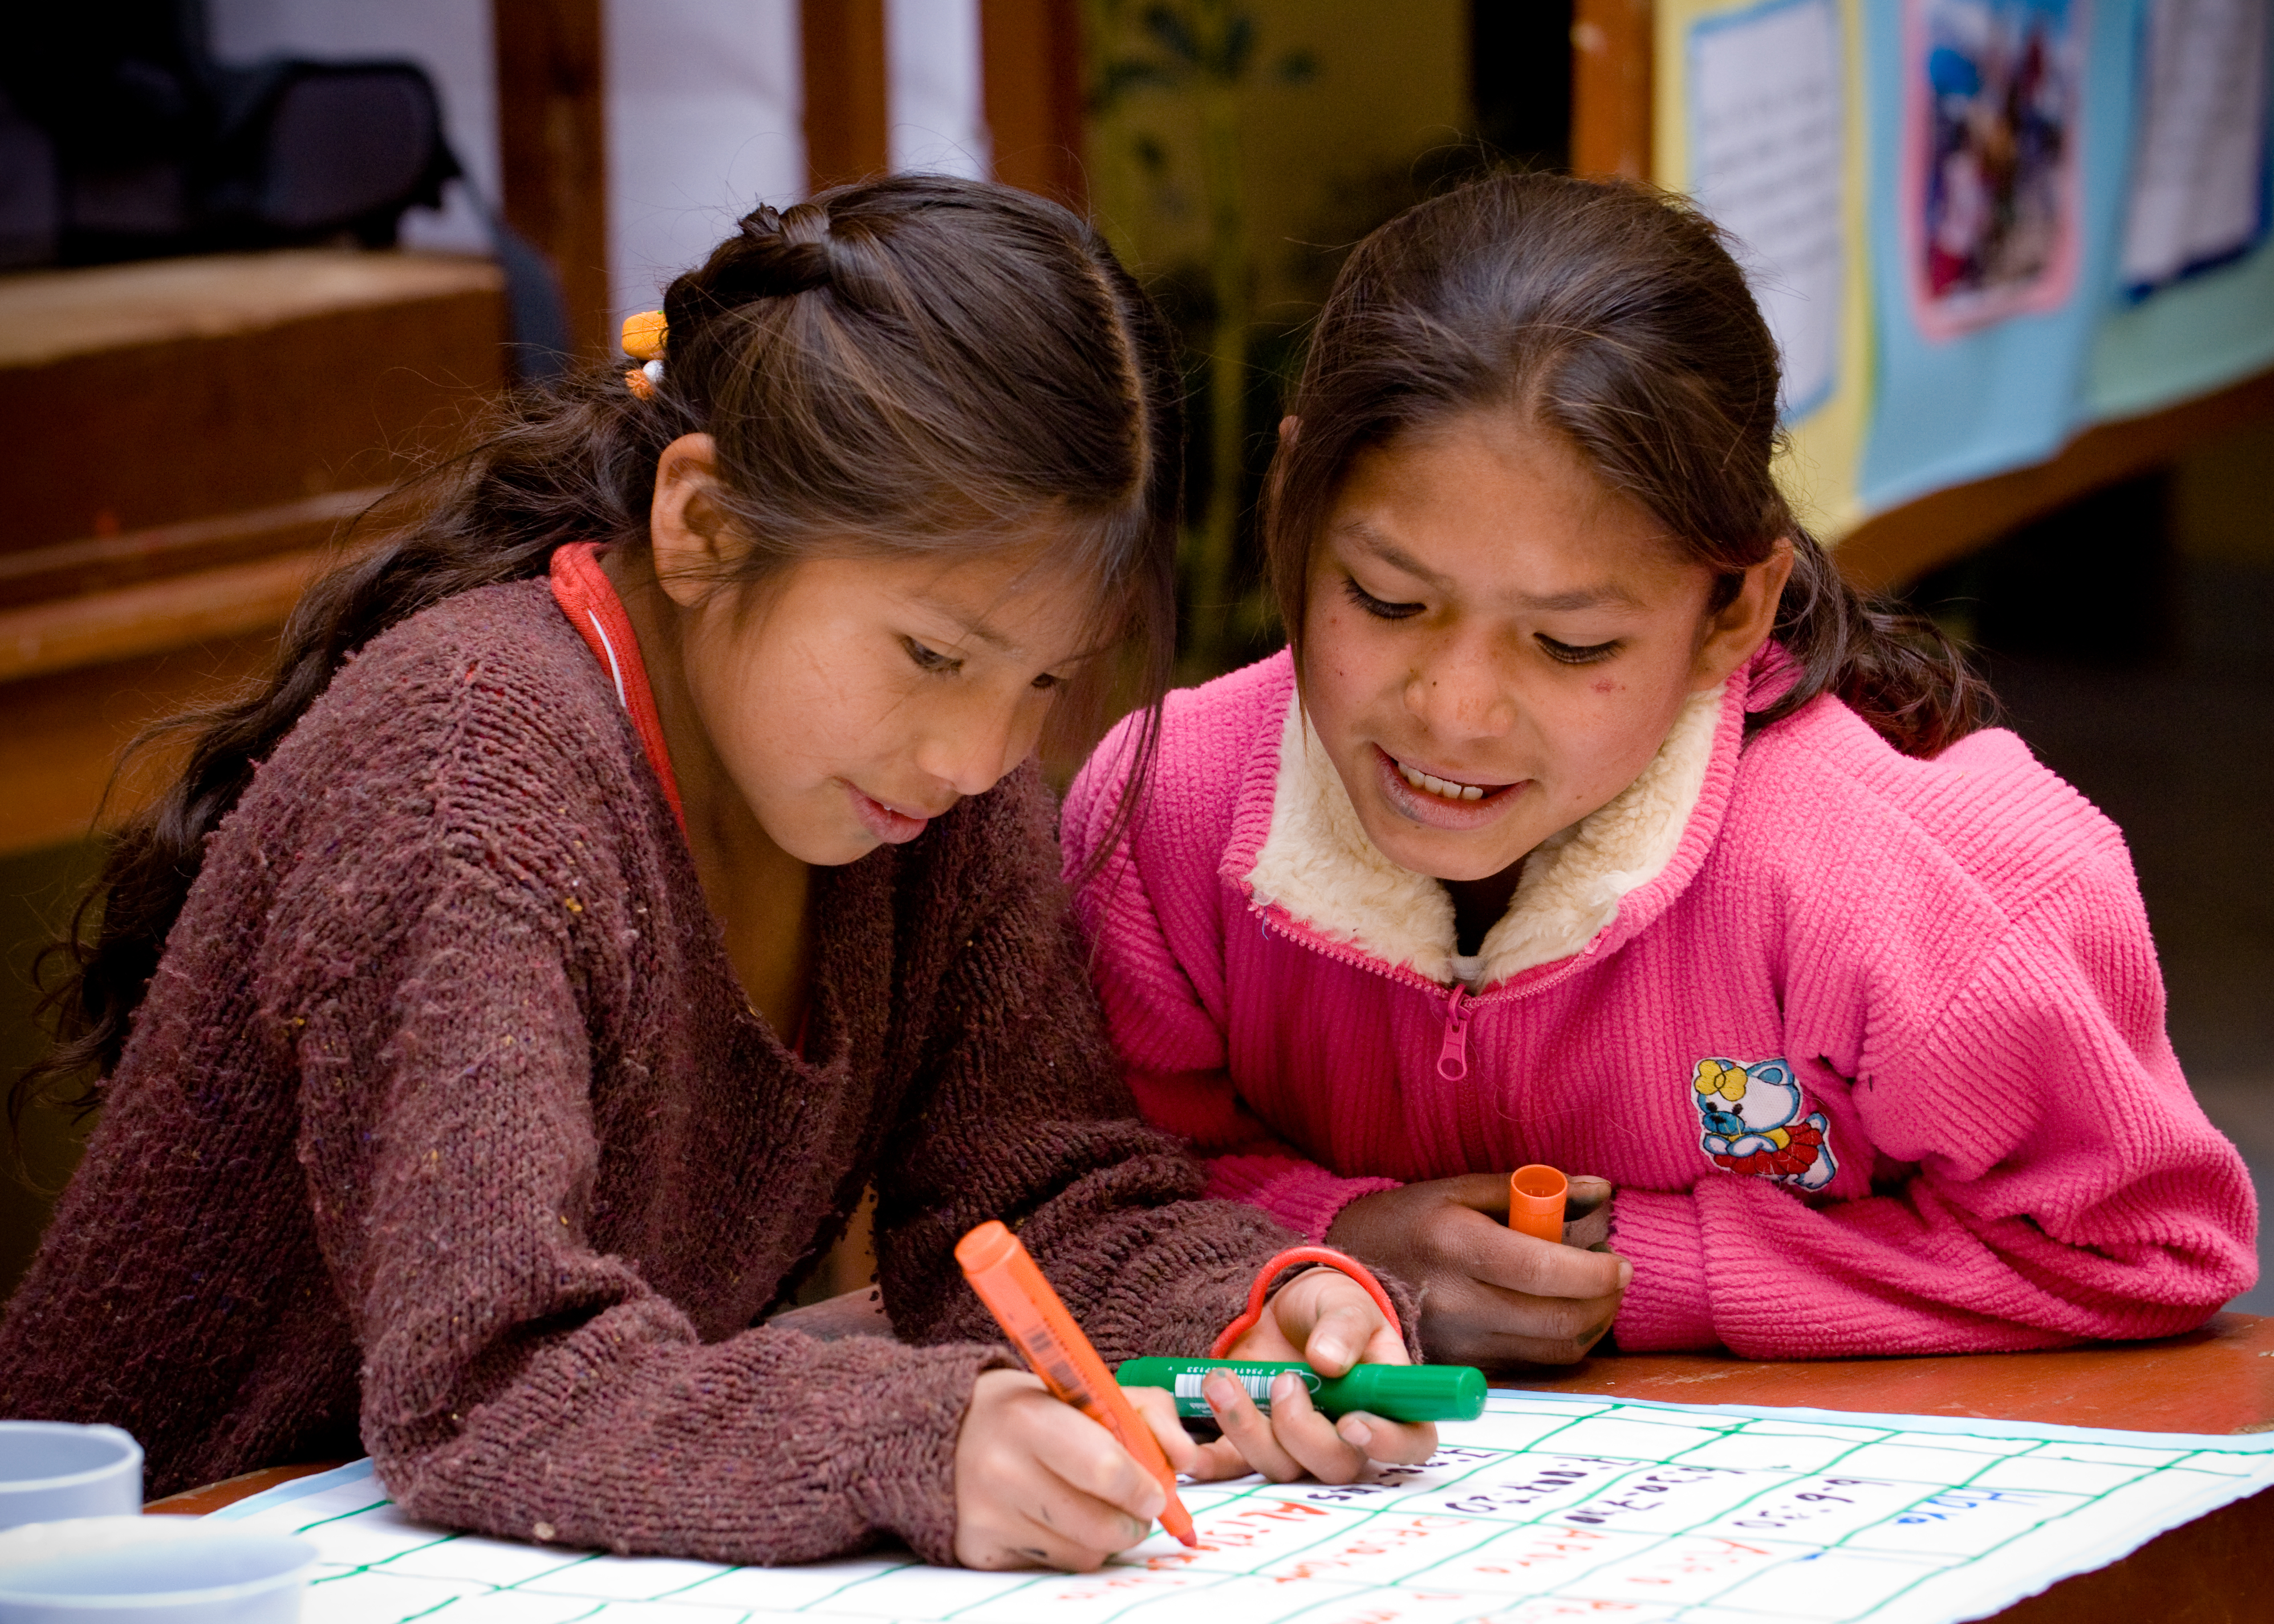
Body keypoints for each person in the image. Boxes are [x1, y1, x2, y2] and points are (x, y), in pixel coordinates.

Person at [0, 177, 1433, 1572]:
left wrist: (1252, 1309)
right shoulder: (471, 780)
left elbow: (1033, 1200)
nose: (981, 748)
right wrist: (909, 1443)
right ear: (703, 527)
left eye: (1044, 674)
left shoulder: (928, 801)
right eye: (930, 654)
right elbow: (483, 1380)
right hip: (159, 1563)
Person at [1061, 173, 2256, 1370]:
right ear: (1292, 503)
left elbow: (2142, 1242)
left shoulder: (1924, 892)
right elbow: (1097, 1184)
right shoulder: (1166, 812)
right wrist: (1345, 1239)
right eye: (1387, 598)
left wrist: (1654, 1267)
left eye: (1569, 642)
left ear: (1734, 601)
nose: (1453, 710)